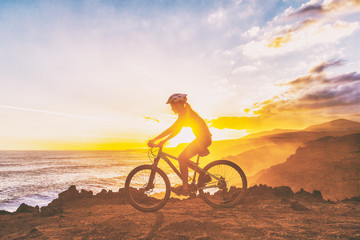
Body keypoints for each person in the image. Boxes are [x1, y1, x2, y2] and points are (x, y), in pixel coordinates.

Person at [148, 93, 212, 196]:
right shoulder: (185, 112)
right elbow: (176, 130)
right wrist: (163, 141)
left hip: (203, 139)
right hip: (203, 139)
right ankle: (203, 175)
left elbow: (173, 129)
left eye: (172, 106)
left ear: (178, 104)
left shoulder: (186, 113)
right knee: (183, 158)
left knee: (181, 158)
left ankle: (185, 188)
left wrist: (156, 139)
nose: (171, 108)